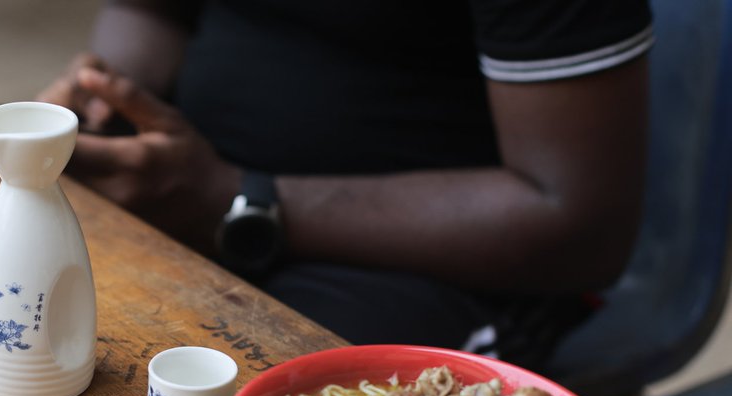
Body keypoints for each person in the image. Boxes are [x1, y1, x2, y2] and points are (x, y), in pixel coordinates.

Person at [38, 0, 653, 369]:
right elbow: (151, 8)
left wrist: (232, 201)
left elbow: (578, 223)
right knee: (30, 336)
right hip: (194, 188)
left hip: (433, 265)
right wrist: (110, 97)